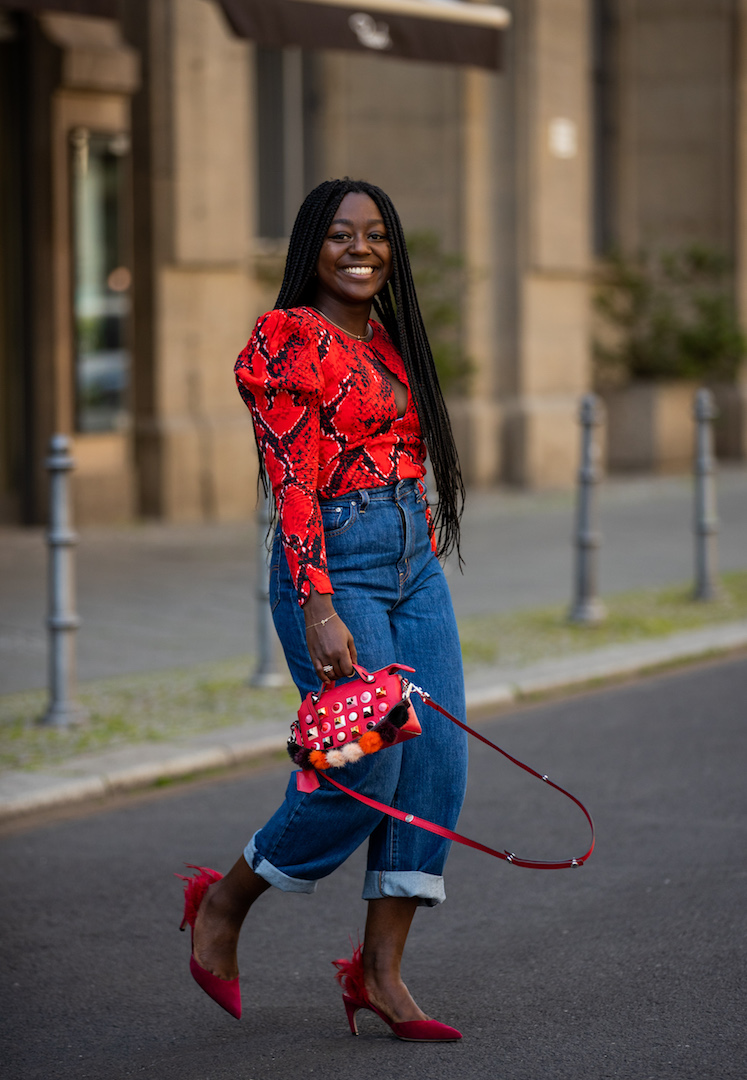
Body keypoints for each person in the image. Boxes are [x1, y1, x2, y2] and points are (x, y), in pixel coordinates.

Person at [178, 179, 469, 1042]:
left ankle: (378, 974)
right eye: (341, 234)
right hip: (332, 566)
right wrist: (316, 604)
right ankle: (224, 902)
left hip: (412, 562)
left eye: (376, 235)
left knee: (436, 769)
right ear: (311, 245)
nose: (360, 248)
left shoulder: (384, 340)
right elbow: (292, 482)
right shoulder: (286, 339)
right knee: (368, 765)